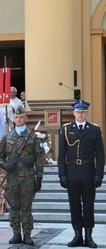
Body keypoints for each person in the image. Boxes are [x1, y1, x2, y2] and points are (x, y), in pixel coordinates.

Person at [0, 106, 44, 245]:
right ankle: (16, 233)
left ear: (26, 119)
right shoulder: (7, 137)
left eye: (21, 117)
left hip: (28, 176)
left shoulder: (33, 137)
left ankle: (27, 234)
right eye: (16, 117)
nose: (19, 119)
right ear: (14, 119)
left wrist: (39, 177)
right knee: (14, 207)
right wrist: (3, 165)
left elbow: (39, 158)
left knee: (26, 207)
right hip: (12, 177)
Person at [58, 100, 104, 248]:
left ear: (87, 113)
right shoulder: (66, 129)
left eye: (83, 112)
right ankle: (77, 235)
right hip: (72, 173)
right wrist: (62, 175)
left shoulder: (94, 130)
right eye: (78, 112)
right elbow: (61, 155)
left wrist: (99, 175)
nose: (80, 114)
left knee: (89, 206)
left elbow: (100, 155)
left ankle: (89, 237)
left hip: (88, 172)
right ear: (74, 113)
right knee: (74, 205)